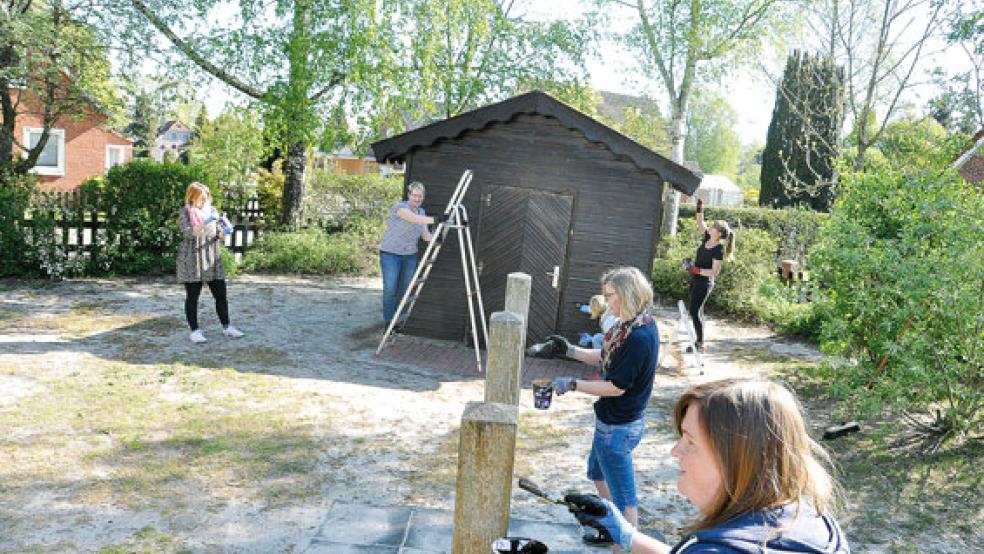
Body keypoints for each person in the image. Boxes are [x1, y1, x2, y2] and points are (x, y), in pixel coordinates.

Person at [565, 378, 851, 554]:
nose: (675, 451)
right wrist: (627, 536)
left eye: (689, 441)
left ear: (736, 459)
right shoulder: (815, 523)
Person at [546, 266, 659, 547]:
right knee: (596, 474)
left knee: (625, 500)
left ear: (626, 294)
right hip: (610, 422)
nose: (606, 302)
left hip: (618, 429)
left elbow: (616, 386)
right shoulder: (630, 325)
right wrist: (570, 351)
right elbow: (606, 357)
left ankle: (626, 545)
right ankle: (613, 528)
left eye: (610, 296)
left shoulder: (639, 337)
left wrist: (573, 384)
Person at [177, 182, 244, 343]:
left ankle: (227, 327)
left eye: (207, 197)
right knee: (193, 296)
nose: (205, 201)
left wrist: (225, 231)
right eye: (202, 198)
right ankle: (195, 331)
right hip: (192, 257)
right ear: (192, 197)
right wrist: (204, 222)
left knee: (221, 294)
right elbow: (188, 233)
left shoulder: (213, 211)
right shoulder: (185, 212)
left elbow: (218, 234)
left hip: (212, 256)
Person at [378, 181, 448, 326]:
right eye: (414, 195)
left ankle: (397, 320)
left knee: (405, 289)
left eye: (420, 196)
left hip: (410, 255)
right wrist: (436, 219)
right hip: (391, 253)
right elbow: (412, 219)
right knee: (390, 289)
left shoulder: (421, 212)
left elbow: (425, 235)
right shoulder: (400, 208)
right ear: (409, 195)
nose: (417, 199)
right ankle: (388, 322)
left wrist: (436, 239)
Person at [685, 198, 735, 352]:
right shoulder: (707, 238)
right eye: (712, 226)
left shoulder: (718, 250)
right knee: (696, 311)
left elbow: (714, 272)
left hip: (705, 283)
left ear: (719, 234)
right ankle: (699, 341)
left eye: (714, 227)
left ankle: (700, 344)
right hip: (696, 279)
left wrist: (696, 270)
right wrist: (700, 206)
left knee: (694, 311)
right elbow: (700, 222)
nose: (710, 228)